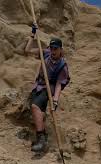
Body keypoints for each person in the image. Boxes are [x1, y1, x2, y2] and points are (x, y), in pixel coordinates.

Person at [24, 23, 70, 152]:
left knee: (35, 107)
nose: (53, 51)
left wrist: (55, 100)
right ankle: (44, 137)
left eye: (55, 48)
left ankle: (41, 140)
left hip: (48, 88)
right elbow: (27, 51)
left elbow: (60, 84)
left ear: (60, 49)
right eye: (51, 48)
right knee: (39, 113)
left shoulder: (62, 65)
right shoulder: (46, 53)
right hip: (37, 85)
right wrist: (32, 34)